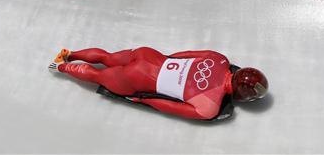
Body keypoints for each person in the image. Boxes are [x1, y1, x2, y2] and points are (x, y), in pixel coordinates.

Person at [49, 46, 268, 120]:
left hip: (148, 56)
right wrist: (141, 99)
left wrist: (164, 60)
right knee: (98, 77)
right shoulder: (208, 107)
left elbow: (185, 54)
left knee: (107, 57)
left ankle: (71, 53)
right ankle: (60, 66)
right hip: (138, 80)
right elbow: (167, 106)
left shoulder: (219, 58)